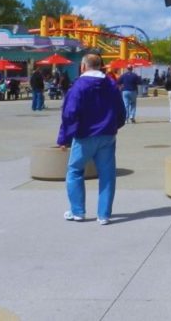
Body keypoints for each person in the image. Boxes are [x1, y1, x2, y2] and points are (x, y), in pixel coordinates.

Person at [57, 54, 126, 224]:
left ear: (83, 66)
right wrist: (115, 125)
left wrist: (64, 138)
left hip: (84, 136)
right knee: (107, 175)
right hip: (107, 135)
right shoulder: (111, 84)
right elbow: (121, 110)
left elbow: (70, 113)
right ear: (101, 66)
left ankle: (77, 211)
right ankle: (104, 215)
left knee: (74, 171)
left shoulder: (78, 86)